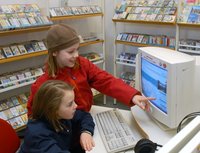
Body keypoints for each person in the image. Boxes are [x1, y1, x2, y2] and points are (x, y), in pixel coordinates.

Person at [27, 23, 155, 117]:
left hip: (87, 116)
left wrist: (132, 95)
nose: (76, 55)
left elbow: (105, 80)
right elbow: (34, 117)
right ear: (54, 52)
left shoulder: (82, 64)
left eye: (78, 49)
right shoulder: (43, 84)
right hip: (67, 128)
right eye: (70, 51)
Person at [19, 80, 95, 153]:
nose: (76, 105)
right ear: (53, 109)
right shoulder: (37, 135)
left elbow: (84, 116)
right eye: (70, 104)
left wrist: (86, 132)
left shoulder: (61, 115)